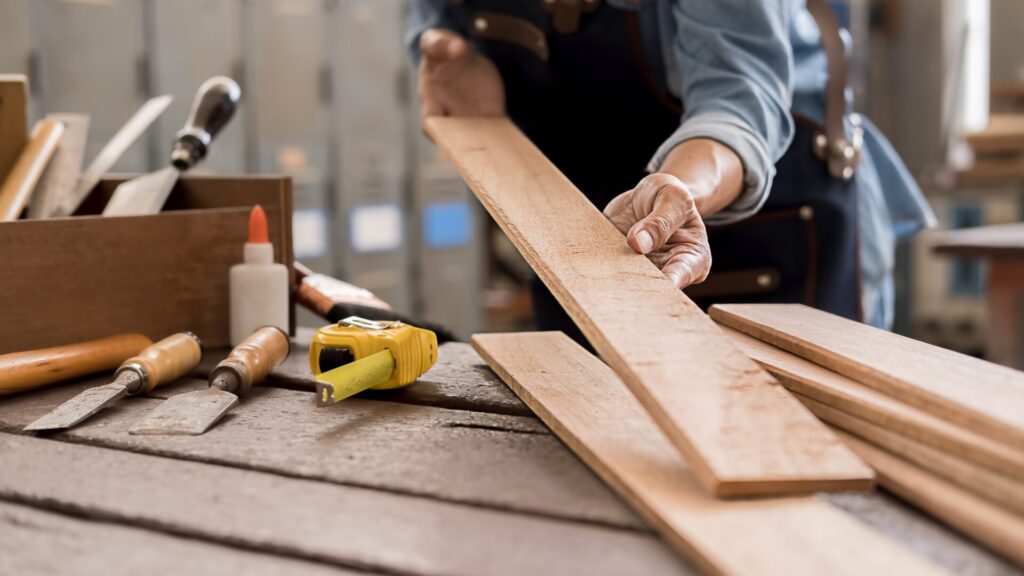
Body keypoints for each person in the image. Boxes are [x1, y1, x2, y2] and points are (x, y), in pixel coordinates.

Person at [407, 0, 935, 338]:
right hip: (591, 223)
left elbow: (737, 100)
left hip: (761, 213)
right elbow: (433, 18)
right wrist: (443, 51)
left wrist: (679, 189)